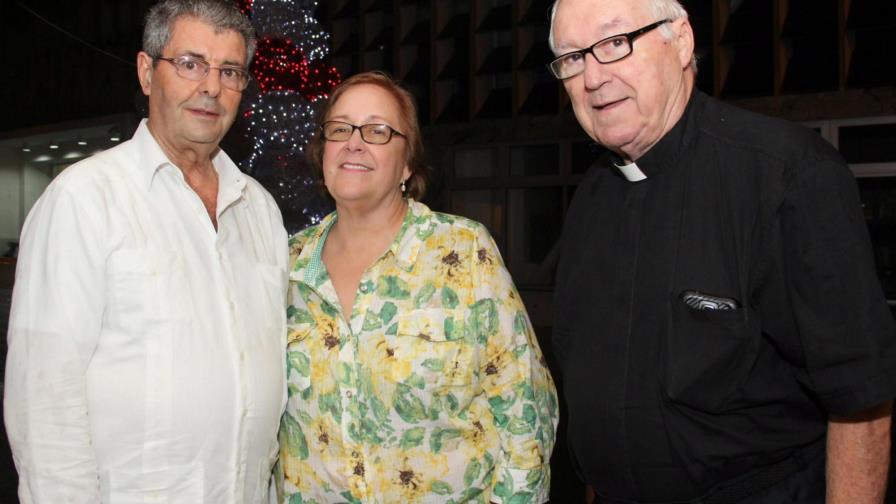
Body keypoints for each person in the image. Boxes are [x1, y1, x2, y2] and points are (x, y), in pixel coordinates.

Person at [548, 0, 896, 502]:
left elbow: (860, 403)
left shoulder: (788, 175)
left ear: (682, 40)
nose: (594, 77)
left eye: (614, 43)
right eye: (573, 58)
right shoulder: (591, 198)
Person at [4, 1, 288, 502]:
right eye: (190, 64)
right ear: (145, 72)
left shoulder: (259, 210)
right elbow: (44, 403)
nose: (211, 88)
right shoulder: (85, 200)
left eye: (229, 71)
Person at [275, 71, 558, 504]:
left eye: (377, 130)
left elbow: (527, 417)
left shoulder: (462, 252)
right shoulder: (286, 265)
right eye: (340, 129)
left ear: (407, 163)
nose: (354, 142)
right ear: (323, 150)